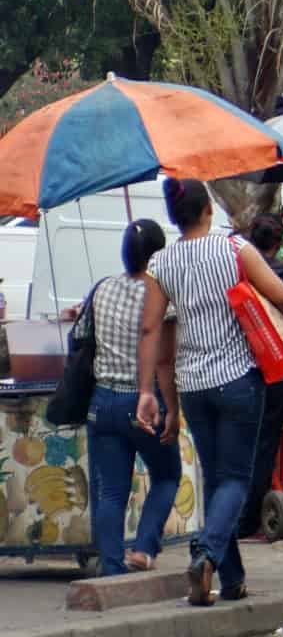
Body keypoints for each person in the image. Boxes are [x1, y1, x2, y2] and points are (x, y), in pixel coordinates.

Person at [138, 178, 283, 607]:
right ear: (208, 211)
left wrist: (148, 391)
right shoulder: (234, 250)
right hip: (238, 380)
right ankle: (205, 556)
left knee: (218, 481)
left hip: (194, 387)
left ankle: (231, 581)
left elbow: (151, 329)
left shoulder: (161, 264)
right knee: (236, 478)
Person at [82, 220, 182, 575]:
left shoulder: (102, 288)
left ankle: (111, 567)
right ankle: (143, 547)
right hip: (143, 403)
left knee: (111, 492)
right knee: (168, 474)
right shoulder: (160, 297)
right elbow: (165, 360)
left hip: (102, 402)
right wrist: (171, 408)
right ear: (158, 255)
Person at [237, 213, 283, 541]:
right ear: (278, 244)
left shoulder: (240, 271)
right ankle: (249, 519)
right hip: (278, 367)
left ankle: (234, 515)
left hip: (244, 366)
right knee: (265, 446)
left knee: (242, 444)